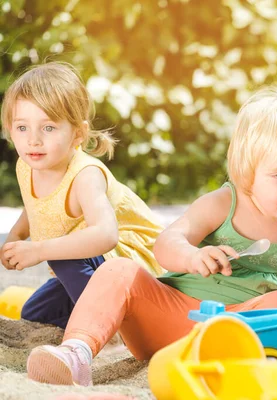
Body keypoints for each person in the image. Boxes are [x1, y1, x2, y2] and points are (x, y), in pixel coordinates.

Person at [25, 89, 277, 386]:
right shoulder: (224, 204)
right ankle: (77, 352)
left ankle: (244, 370)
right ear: (248, 173)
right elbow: (166, 243)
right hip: (169, 319)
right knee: (118, 271)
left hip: (232, 338)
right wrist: (192, 256)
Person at [0, 62, 164, 329]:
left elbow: (106, 235)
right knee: (35, 313)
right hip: (92, 265)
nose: (33, 140)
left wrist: (39, 249)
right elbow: (38, 204)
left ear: (78, 134)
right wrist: (17, 237)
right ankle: (116, 317)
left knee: (61, 254)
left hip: (131, 265)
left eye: (48, 128)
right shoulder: (27, 165)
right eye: (22, 127)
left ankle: (108, 326)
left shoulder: (85, 176)